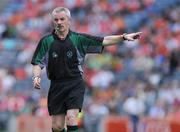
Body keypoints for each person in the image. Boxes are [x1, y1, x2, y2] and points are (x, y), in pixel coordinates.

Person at [31, 7, 142, 132]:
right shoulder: (46, 41)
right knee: (57, 127)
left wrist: (124, 37)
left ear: (69, 20)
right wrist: (36, 77)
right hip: (56, 85)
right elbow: (37, 63)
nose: (59, 22)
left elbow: (104, 40)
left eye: (62, 19)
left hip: (75, 83)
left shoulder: (78, 39)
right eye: (56, 19)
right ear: (53, 22)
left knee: (72, 118)